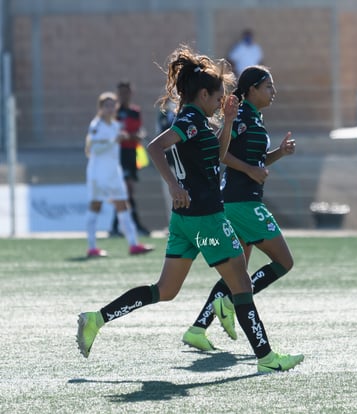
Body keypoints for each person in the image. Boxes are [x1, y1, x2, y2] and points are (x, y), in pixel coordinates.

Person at [76, 46, 303, 373]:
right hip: (206, 218)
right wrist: (173, 185)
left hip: (185, 220)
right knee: (241, 286)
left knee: (165, 291)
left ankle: (96, 319)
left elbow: (218, 154)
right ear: (203, 94)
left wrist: (226, 120)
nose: (220, 102)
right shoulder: (191, 121)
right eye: (217, 97)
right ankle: (266, 359)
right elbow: (156, 147)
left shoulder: (196, 119)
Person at [182, 65, 297, 352]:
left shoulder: (254, 119)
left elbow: (256, 165)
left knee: (238, 271)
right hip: (241, 203)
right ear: (252, 89)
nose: (274, 92)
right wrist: (249, 169)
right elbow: (221, 153)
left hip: (239, 201)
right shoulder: (242, 117)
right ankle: (232, 301)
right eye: (268, 86)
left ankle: (197, 329)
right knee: (284, 262)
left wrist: (279, 154)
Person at [84, 92, 154, 257]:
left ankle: (133, 244)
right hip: (97, 174)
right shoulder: (96, 125)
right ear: (100, 108)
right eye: (106, 105)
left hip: (114, 173)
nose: (110, 108)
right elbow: (93, 149)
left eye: (112, 105)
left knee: (124, 205)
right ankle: (92, 247)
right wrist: (113, 141)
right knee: (96, 206)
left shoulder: (116, 126)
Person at [109, 81, 151, 238]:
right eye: (121, 92)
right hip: (117, 155)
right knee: (125, 190)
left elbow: (137, 133)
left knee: (127, 191)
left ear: (131, 93)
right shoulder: (113, 112)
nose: (123, 95)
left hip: (131, 153)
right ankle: (132, 225)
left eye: (126, 92)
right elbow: (114, 135)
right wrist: (129, 136)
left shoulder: (135, 112)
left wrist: (130, 136)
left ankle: (116, 227)